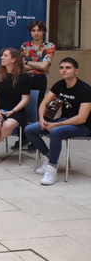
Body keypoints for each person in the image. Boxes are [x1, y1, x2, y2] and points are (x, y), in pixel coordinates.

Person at [25, 57, 91, 185]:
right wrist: (42, 119)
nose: (64, 70)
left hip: (83, 126)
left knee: (55, 131)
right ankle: (49, 156)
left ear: (76, 71)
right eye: (61, 67)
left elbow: (82, 118)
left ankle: (51, 170)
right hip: (64, 121)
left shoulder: (85, 90)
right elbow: (44, 102)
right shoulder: (60, 85)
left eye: (68, 68)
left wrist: (56, 124)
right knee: (30, 129)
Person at [0, 48, 30, 161]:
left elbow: (25, 99)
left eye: (5, 55)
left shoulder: (24, 77)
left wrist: (12, 112)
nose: (1, 58)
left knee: (7, 126)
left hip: (16, 112)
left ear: (13, 59)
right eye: (1, 55)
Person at [16, 20, 55, 151]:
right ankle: (22, 137)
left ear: (43, 31)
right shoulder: (24, 46)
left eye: (39, 30)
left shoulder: (49, 46)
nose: (36, 33)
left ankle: (35, 140)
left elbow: (44, 67)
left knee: (39, 108)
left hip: (39, 80)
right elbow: (21, 67)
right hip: (24, 79)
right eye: (33, 30)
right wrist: (36, 65)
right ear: (30, 32)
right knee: (22, 107)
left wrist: (28, 62)